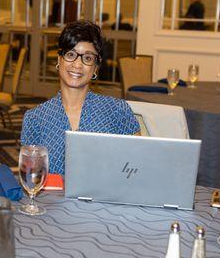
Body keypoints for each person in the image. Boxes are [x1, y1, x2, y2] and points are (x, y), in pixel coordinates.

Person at [20, 20, 140, 175]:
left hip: (105, 198)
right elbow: (31, 179)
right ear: (59, 60)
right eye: (71, 54)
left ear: (96, 67)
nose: (77, 64)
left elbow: (137, 168)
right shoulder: (35, 119)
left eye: (88, 58)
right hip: (51, 200)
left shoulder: (117, 111)